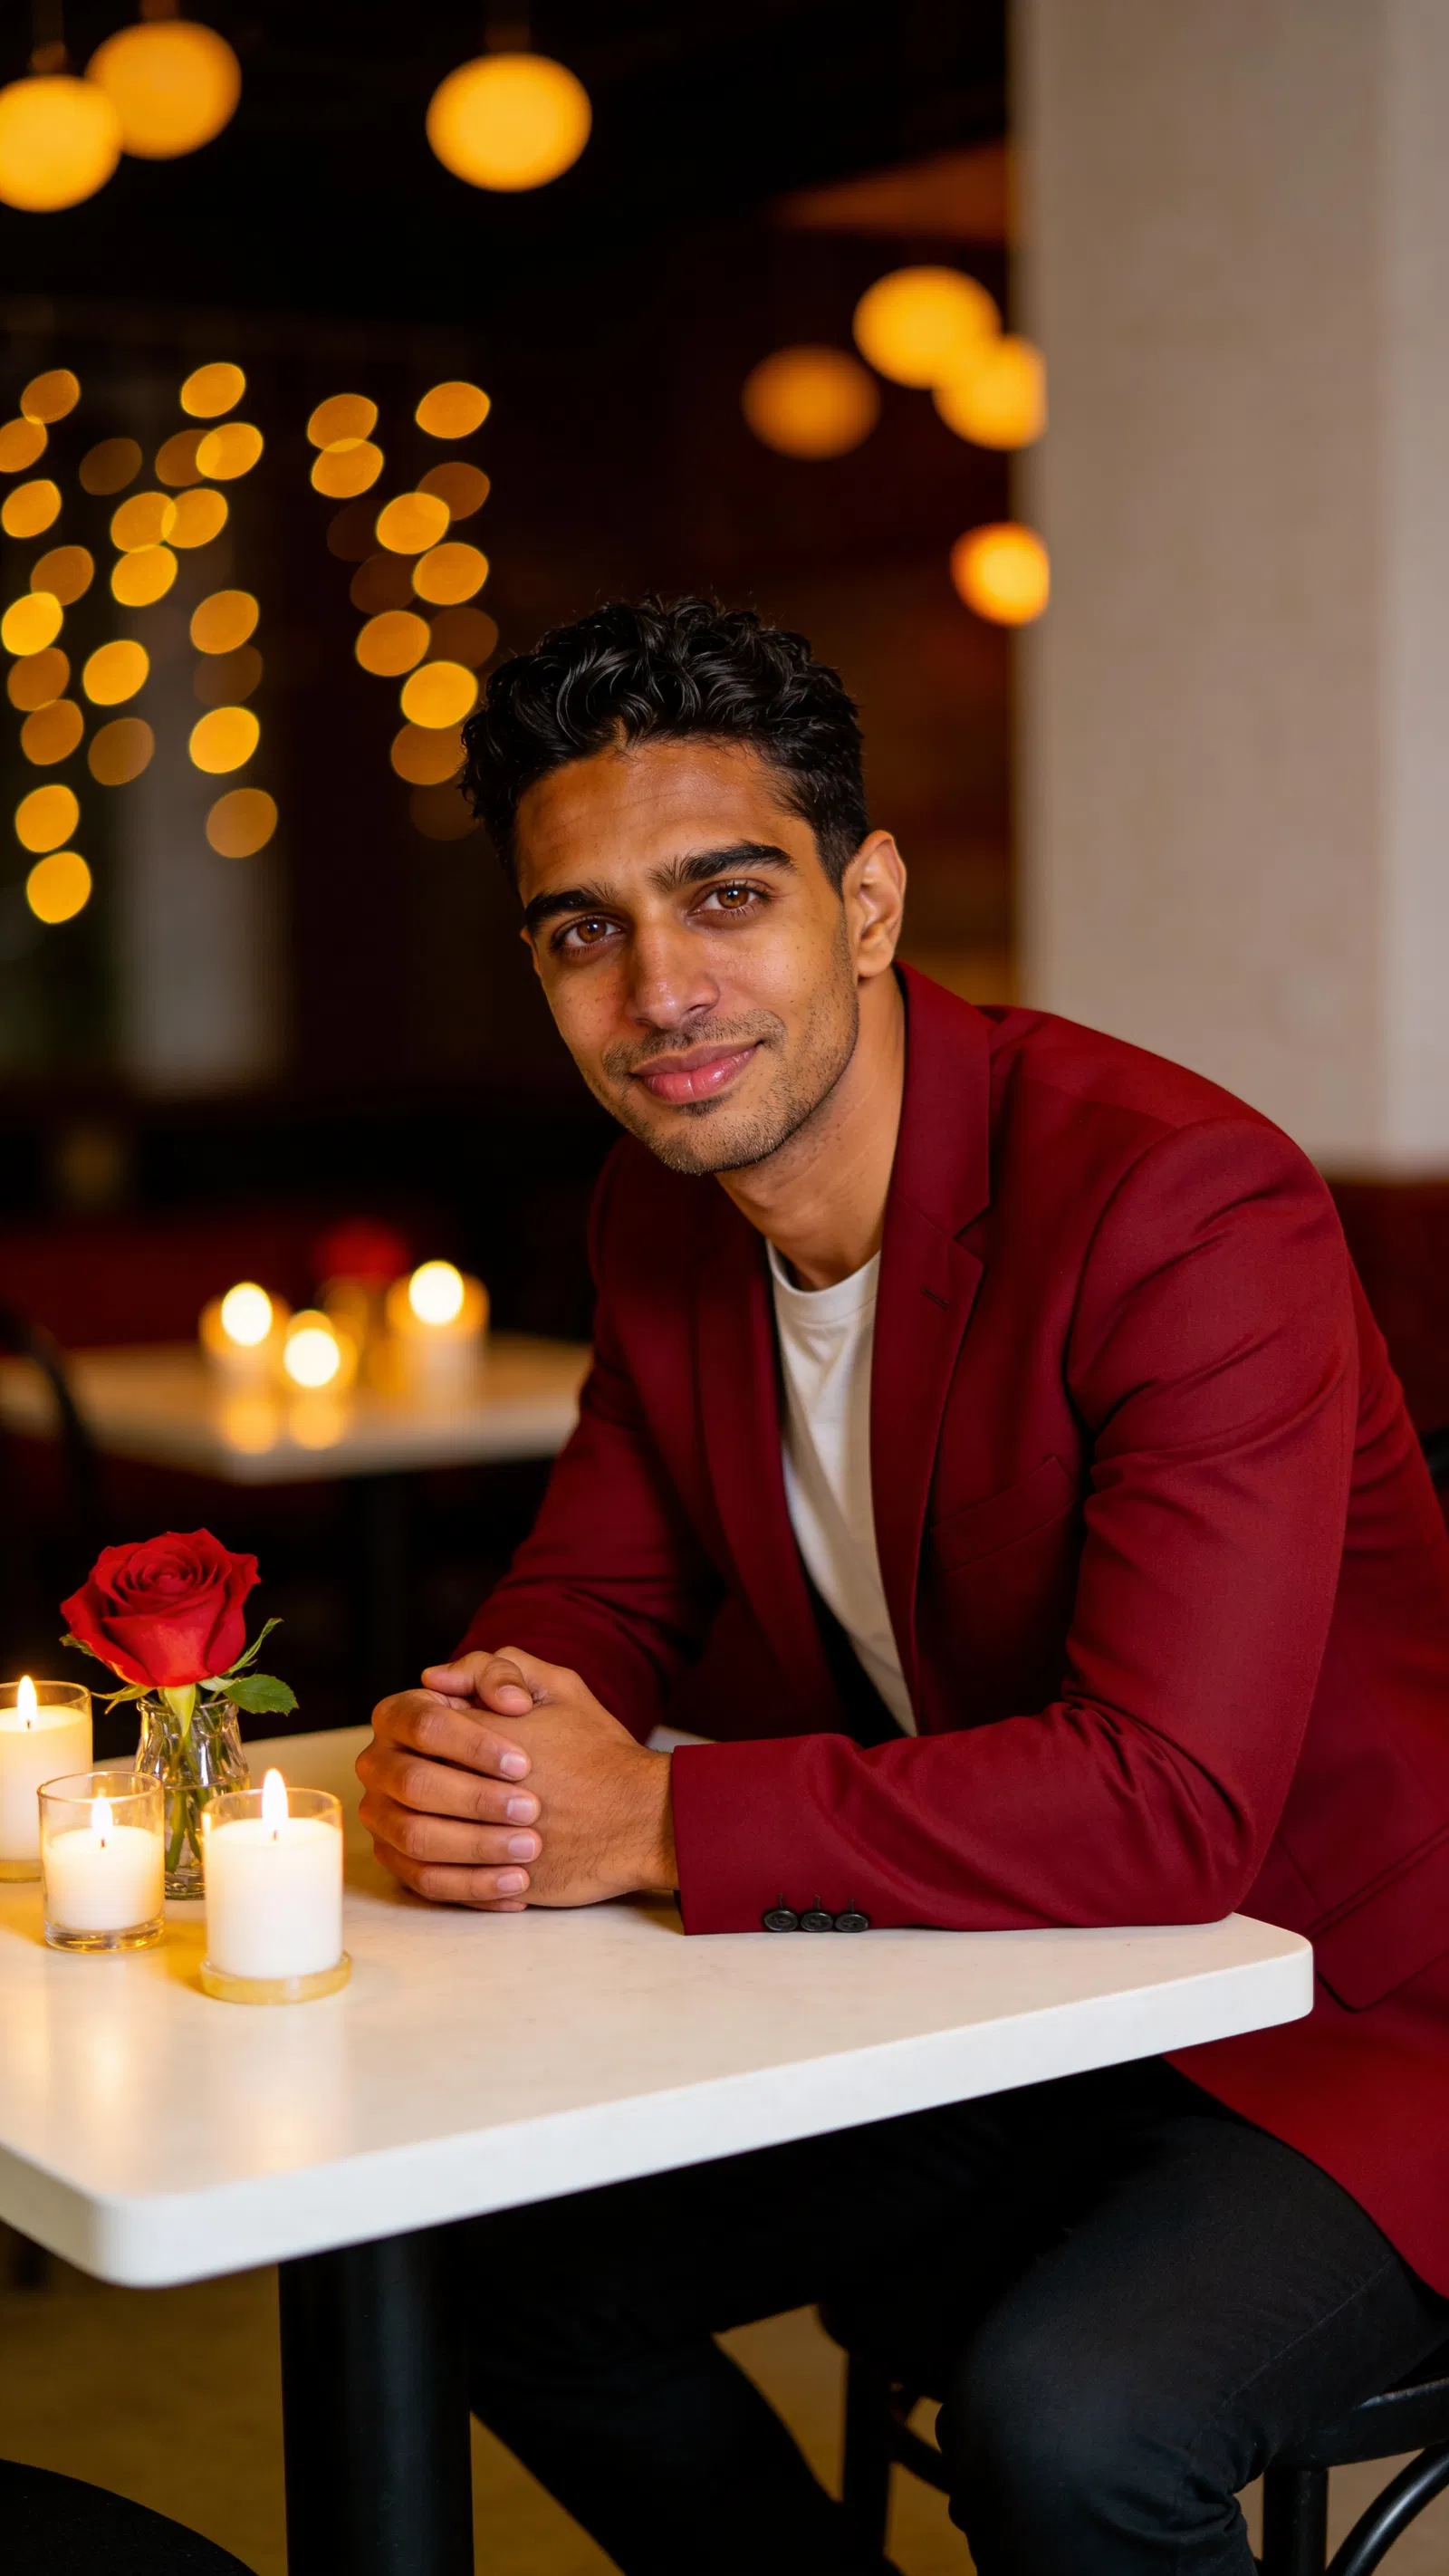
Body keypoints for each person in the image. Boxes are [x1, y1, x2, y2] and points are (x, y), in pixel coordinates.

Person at [357, 598, 1449, 2576]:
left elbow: (1170, 1803)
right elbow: (593, 1595)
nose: (660, 988)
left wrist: (654, 1815)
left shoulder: (1173, 1202)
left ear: (864, 903)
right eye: (582, 929)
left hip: (1346, 2011)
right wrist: (487, 1740)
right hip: (1001, 1988)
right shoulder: (659, 1209)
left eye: (723, 894)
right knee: (484, 2266)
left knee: (1074, 2428)